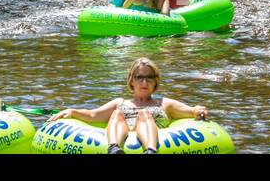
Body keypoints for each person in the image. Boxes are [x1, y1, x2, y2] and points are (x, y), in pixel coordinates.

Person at [47, 58, 208, 154]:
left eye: (149, 77)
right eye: (139, 77)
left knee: (144, 115)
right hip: (122, 133)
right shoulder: (120, 103)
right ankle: (114, 148)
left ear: (156, 80)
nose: (144, 82)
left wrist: (197, 110)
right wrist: (72, 111)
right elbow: (92, 115)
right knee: (117, 114)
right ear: (131, 80)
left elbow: (191, 111)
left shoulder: (165, 104)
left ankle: (150, 150)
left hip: (153, 134)